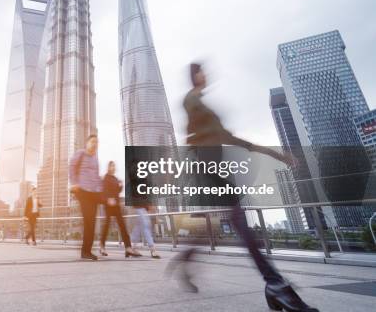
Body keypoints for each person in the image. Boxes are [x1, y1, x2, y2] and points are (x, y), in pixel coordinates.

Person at [167, 63, 318, 312]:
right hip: (205, 170)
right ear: (194, 76)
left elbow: (238, 141)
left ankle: (186, 259)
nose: (205, 73)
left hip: (213, 170)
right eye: (200, 70)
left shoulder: (204, 110)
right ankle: (275, 284)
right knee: (237, 221)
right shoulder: (193, 101)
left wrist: (277, 155)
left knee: (214, 224)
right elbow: (193, 132)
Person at [69, 134, 102, 260]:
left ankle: (87, 251)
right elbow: (72, 167)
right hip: (82, 191)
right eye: (92, 141)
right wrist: (74, 183)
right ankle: (85, 251)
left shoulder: (95, 159)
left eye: (96, 142)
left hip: (93, 193)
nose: (94, 144)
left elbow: (97, 177)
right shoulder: (81, 153)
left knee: (92, 222)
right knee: (88, 220)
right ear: (87, 143)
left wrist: (99, 190)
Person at [99, 161, 141, 258]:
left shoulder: (115, 178)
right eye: (111, 166)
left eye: (114, 166)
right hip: (109, 205)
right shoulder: (105, 178)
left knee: (122, 225)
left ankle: (128, 248)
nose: (113, 167)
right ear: (108, 167)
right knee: (107, 225)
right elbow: (103, 192)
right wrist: (107, 200)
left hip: (116, 205)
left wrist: (121, 186)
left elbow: (117, 191)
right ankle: (102, 246)